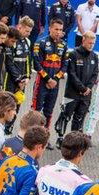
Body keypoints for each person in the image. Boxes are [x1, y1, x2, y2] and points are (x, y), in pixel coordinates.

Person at [54, 31, 98, 148]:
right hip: (72, 93)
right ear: (83, 40)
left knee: (79, 118)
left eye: (93, 43)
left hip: (86, 95)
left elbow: (95, 74)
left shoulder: (94, 56)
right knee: (65, 116)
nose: (91, 45)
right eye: (89, 43)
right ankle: (60, 138)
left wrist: (88, 88)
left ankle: (75, 141)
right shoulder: (73, 54)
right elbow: (71, 74)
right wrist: (81, 88)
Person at [32, 18, 68, 148]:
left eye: (60, 30)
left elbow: (65, 65)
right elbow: (36, 64)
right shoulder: (40, 43)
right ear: (50, 29)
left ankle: (44, 139)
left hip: (55, 85)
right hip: (41, 83)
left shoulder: (64, 45)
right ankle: (32, 138)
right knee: (36, 111)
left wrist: (55, 79)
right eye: (56, 29)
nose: (58, 32)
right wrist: (48, 79)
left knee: (49, 112)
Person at [4, 16, 35, 135]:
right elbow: (9, 63)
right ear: (19, 27)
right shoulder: (13, 41)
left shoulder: (28, 41)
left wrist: (27, 77)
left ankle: (9, 129)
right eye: (26, 31)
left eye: (30, 31)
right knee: (7, 104)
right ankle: (2, 128)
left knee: (17, 105)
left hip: (22, 81)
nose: (28, 33)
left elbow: (28, 60)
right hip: (11, 80)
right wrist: (18, 79)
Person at [0, 27, 26, 95]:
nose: (13, 44)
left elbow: (10, 65)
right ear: (7, 37)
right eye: (12, 41)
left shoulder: (8, 48)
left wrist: (18, 79)